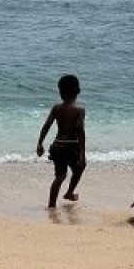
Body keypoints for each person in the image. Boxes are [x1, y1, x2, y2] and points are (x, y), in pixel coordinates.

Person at [35, 74, 87, 208]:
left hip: (58, 145)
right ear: (78, 91)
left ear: (60, 92)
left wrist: (40, 143)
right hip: (72, 146)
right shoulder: (79, 110)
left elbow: (46, 126)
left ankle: (51, 204)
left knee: (60, 176)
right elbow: (80, 130)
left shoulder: (56, 108)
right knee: (80, 167)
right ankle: (69, 192)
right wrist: (82, 153)